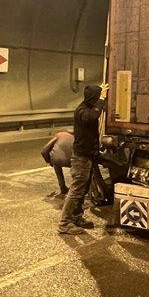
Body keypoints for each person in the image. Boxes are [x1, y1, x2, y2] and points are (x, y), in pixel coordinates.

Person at [59, 82, 110, 235]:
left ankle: (76, 217)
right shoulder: (82, 110)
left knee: (83, 189)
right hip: (81, 158)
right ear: (93, 98)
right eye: (97, 98)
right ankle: (64, 223)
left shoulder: (87, 106)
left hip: (88, 156)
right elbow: (93, 116)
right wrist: (101, 98)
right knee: (76, 190)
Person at [41, 130, 74, 196]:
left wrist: (49, 161)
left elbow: (43, 151)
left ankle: (62, 187)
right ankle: (74, 188)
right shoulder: (73, 137)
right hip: (73, 161)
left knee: (56, 164)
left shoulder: (58, 135)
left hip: (57, 160)